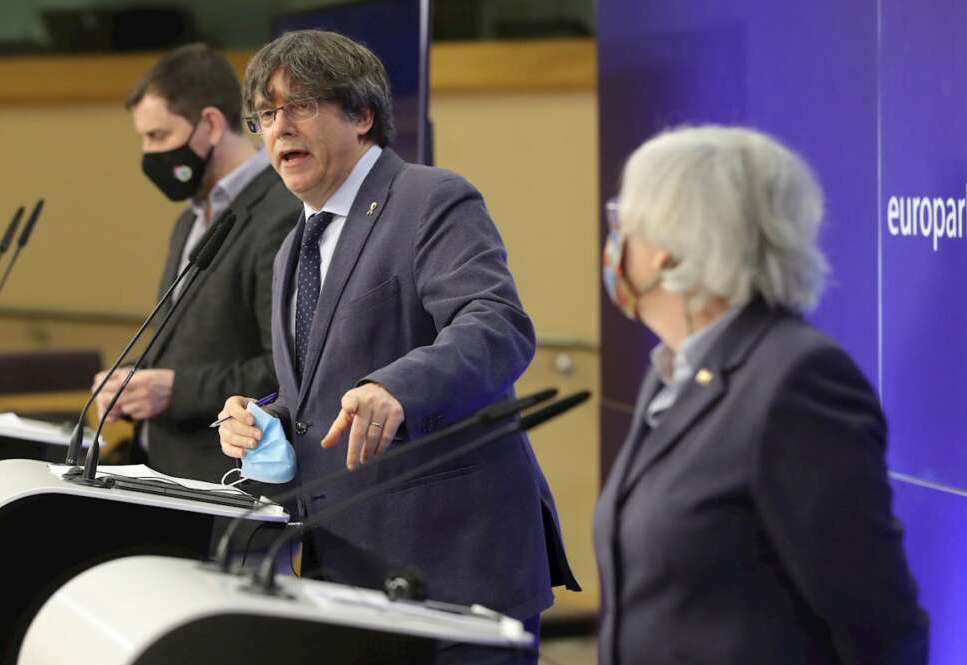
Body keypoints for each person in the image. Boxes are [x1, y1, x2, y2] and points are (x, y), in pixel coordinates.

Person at [216, 29, 579, 663]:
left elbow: (495, 323)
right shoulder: (291, 250)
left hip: (454, 573)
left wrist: (397, 387)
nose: (279, 128)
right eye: (266, 114)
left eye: (300, 105)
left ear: (361, 115)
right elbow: (318, 394)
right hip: (347, 571)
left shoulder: (429, 199)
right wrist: (261, 418)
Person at [595, 125, 928, 665]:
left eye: (621, 221)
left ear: (667, 246)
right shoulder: (673, 369)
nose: (614, 244)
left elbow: (879, 622)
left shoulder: (798, 382)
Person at [93, 44, 300, 483]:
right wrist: (135, 384)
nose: (149, 154)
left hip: (225, 479)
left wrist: (174, 390)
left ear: (209, 124)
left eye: (158, 136)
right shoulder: (190, 218)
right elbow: (186, 346)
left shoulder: (281, 211)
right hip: (161, 467)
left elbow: (285, 366)